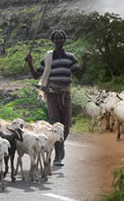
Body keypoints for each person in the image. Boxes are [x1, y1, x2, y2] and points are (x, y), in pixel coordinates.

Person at [24, 29, 87, 166]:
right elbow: (36, 76)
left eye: (61, 38)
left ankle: (60, 145)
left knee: (66, 127)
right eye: (56, 38)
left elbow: (79, 75)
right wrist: (30, 63)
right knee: (56, 123)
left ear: (64, 40)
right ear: (53, 41)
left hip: (65, 94)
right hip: (51, 94)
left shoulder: (70, 57)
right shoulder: (47, 57)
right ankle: (58, 156)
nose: (59, 41)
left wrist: (84, 62)